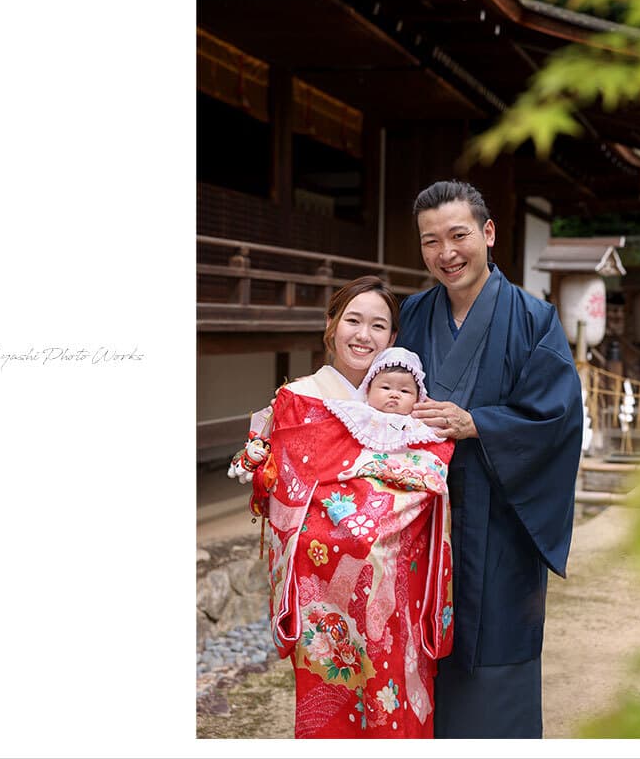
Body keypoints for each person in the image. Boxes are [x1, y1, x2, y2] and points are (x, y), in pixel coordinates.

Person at [396, 180, 583, 739]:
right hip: (423, 521)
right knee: (417, 653)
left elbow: (558, 418)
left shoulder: (533, 319)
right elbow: (379, 397)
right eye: (431, 242)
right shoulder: (412, 313)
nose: (446, 253)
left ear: (488, 233)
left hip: (501, 519)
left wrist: (479, 422)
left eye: (458, 236)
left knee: (497, 651)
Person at [230, 282, 456, 738]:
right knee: (329, 699)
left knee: (396, 692)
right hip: (323, 586)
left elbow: (428, 473)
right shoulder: (300, 398)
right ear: (331, 326)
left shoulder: (405, 403)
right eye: (353, 320)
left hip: (394, 586)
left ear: (392, 339)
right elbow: (285, 485)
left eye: (378, 325)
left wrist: (376, 520)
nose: (364, 335)